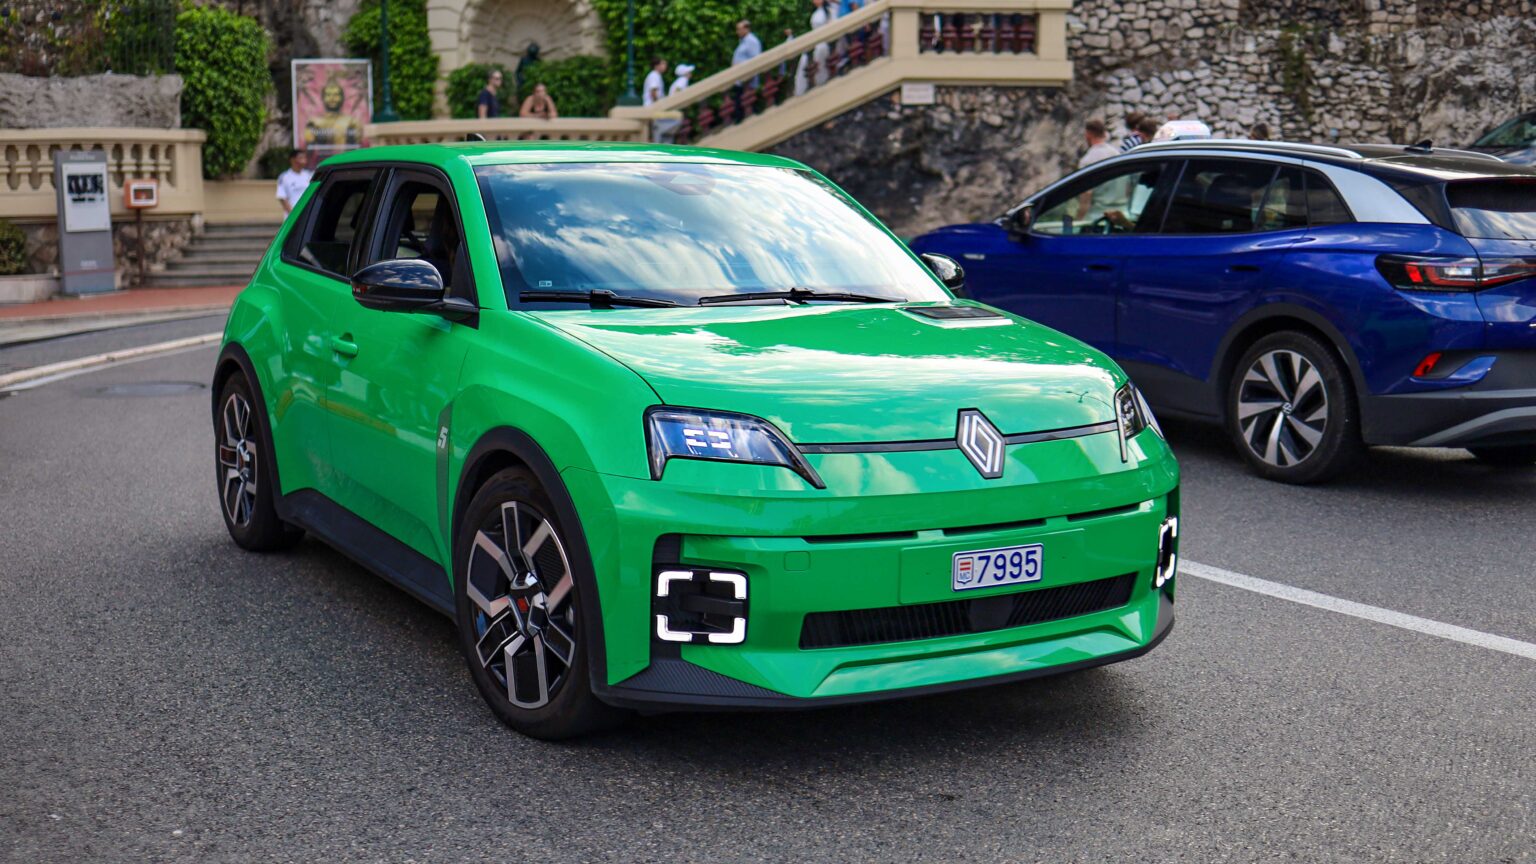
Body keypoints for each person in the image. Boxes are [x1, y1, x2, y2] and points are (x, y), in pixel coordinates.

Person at [302, 79, 363, 149]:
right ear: (322, 98)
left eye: (336, 95)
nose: (332, 98)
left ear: (342, 98)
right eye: (328, 95)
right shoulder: (313, 123)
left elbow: (356, 145)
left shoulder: (353, 122)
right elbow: (310, 147)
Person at [794, 0, 836, 96]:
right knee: (805, 61)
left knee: (819, 63)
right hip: (816, 43)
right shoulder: (816, 13)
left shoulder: (830, 11)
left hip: (823, 44)